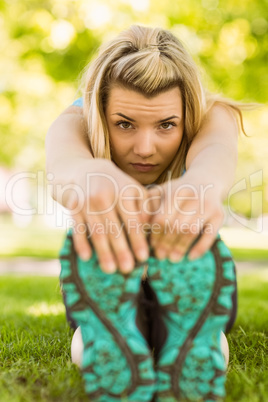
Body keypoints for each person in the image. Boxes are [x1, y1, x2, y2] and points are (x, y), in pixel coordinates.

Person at [46, 25, 245, 401]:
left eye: (166, 125)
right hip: (111, 259)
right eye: (124, 124)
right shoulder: (76, 119)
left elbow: (216, 158)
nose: (145, 148)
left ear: (186, 114)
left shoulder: (211, 114)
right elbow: (63, 164)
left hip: (187, 258)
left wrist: (199, 185)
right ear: (100, 113)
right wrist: (91, 175)